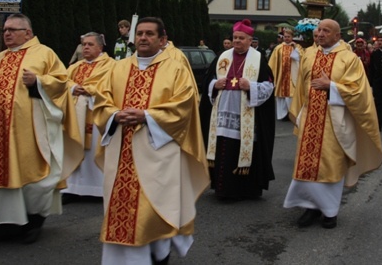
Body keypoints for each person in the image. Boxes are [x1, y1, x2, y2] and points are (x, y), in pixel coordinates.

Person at [0, 13, 83, 244]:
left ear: (28, 33)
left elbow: (62, 83)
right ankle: (3, 226)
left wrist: (39, 82)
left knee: (35, 180)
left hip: (31, 131)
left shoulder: (44, 53)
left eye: (13, 29)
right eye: (5, 30)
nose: (7, 34)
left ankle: (34, 221)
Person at [93, 17, 209, 264]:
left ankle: (157, 256)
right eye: (140, 34)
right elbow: (101, 101)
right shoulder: (117, 68)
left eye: (149, 34)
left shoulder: (175, 68)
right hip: (121, 151)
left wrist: (146, 116)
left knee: (155, 210)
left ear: (162, 39)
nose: (143, 38)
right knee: (120, 210)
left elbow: (185, 104)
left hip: (158, 152)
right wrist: (114, 114)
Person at [283, 19, 382, 229]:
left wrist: (332, 86)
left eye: (326, 31)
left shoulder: (349, 59)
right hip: (311, 118)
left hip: (334, 122)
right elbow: (302, 85)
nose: (320, 34)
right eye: (318, 30)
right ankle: (309, 208)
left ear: (337, 36)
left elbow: (359, 91)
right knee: (308, 165)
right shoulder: (309, 54)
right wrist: (300, 112)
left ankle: (330, 212)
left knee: (331, 165)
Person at [200, 19, 276, 200]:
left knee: (243, 148)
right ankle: (222, 189)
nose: (237, 41)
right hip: (222, 113)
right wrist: (214, 84)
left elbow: (269, 85)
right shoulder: (222, 56)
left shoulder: (258, 60)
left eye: (241, 38)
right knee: (224, 149)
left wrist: (251, 87)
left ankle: (246, 190)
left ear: (250, 40)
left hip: (247, 114)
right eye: (235, 38)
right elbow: (207, 81)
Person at [62, 32, 114, 203]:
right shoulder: (75, 67)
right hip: (75, 115)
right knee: (73, 146)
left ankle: (98, 189)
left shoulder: (111, 66)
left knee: (94, 150)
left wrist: (91, 90)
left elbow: (112, 85)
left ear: (100, 47)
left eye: (90, 44)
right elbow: (62, 81)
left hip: (96, 114)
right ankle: (71, 188)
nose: (85, 48)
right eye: (84, 44)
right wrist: (73, 88)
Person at [268, 28, 304, 121]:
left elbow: (302, 58)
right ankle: (282, 115)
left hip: (293, 75)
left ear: (292, 37)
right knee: (281, 96)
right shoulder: (278, 48)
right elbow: (273, 61)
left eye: (288, 37)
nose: (286, 38)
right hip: (282, 75)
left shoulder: (297, 47)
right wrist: (271, 73)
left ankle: (291, 113)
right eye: (285, 37)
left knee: (291, 95)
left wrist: (295, 48)